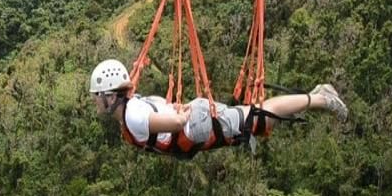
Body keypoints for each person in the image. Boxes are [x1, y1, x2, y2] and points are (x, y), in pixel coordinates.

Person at [89, 59, 348, 157]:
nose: (95, 102)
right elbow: (164, 109)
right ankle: (317, 97)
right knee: (256, 116)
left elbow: (176, 123)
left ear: (110, 97)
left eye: (97, 97)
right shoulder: (134, 105)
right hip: (198, 121)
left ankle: (321, 98)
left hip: (198, 124)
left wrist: (182, 114)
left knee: (260, 118)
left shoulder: (132, 116)